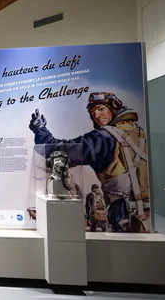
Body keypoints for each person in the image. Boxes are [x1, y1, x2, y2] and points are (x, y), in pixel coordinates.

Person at [29, 91, 150, 233]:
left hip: (124, 219)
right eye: (92, 113)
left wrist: (40, 131)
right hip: (148, 217)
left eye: (101, 109)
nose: (97, 116)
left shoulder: (104, 138)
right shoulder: (141, 133)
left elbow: (60, 151)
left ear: (114, 107)